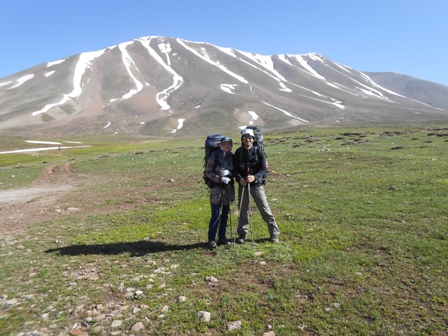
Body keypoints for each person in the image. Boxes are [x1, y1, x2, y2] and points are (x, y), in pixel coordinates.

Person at [234, 128, 280, 243]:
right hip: (243, 185)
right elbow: (235, 170)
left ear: (253, 139)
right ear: (242, 140)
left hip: (257, 185)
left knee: (265, 209)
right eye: (245, 138)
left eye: (249, 138)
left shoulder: (259, 152)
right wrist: (240, 179)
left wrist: (254, 177)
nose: (247, 140)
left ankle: (274, 233)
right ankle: (242, 234)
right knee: (242, 210)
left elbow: (264, 169)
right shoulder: (238, 153)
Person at [204, 136, 235, 249]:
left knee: (225, 214)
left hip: (228, 189)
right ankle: (212, 239)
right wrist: (219, 178)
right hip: (216, 189)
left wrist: (230, 175)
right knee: (216, 215)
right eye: (225, 144)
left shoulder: (232, 156)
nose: (227, 146)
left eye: (229, 144)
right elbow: (208, 172)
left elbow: (235, 171)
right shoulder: (215, 155)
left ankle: (222, 237)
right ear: (221, 145)